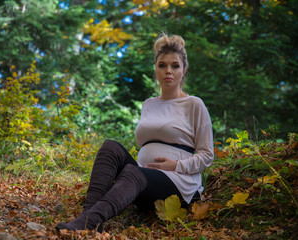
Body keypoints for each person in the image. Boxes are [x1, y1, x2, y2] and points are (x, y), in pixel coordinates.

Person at [55, 34, 214, 233]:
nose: (168, 71)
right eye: (162, 65)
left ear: (184, 70)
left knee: (133, 172)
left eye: (175, 66)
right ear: (155, 69)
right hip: (144, 180)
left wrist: (177, 165)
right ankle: (88, 218)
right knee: (110, 147)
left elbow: (207, 155)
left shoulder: (194, 104)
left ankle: (89, 222)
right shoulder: (149, 104)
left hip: (178, 185)